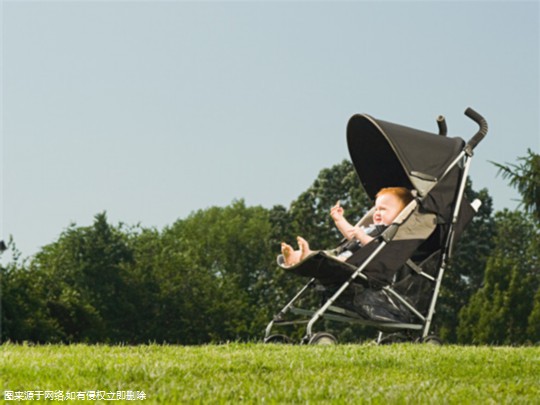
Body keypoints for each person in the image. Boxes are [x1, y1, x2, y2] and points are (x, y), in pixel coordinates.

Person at [280, 187, 414, 267]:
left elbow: (378, 249)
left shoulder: (390, 234)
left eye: (383, 209)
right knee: (324, 254)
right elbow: (350, 234)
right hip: (344, 254)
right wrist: (339, 219)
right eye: (376, 209)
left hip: (353, 263)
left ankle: (306, 256)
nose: (377, 213)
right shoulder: (372, 228)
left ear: (400, 214)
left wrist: (362, 237)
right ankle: (294, 258)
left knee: (329, 260)